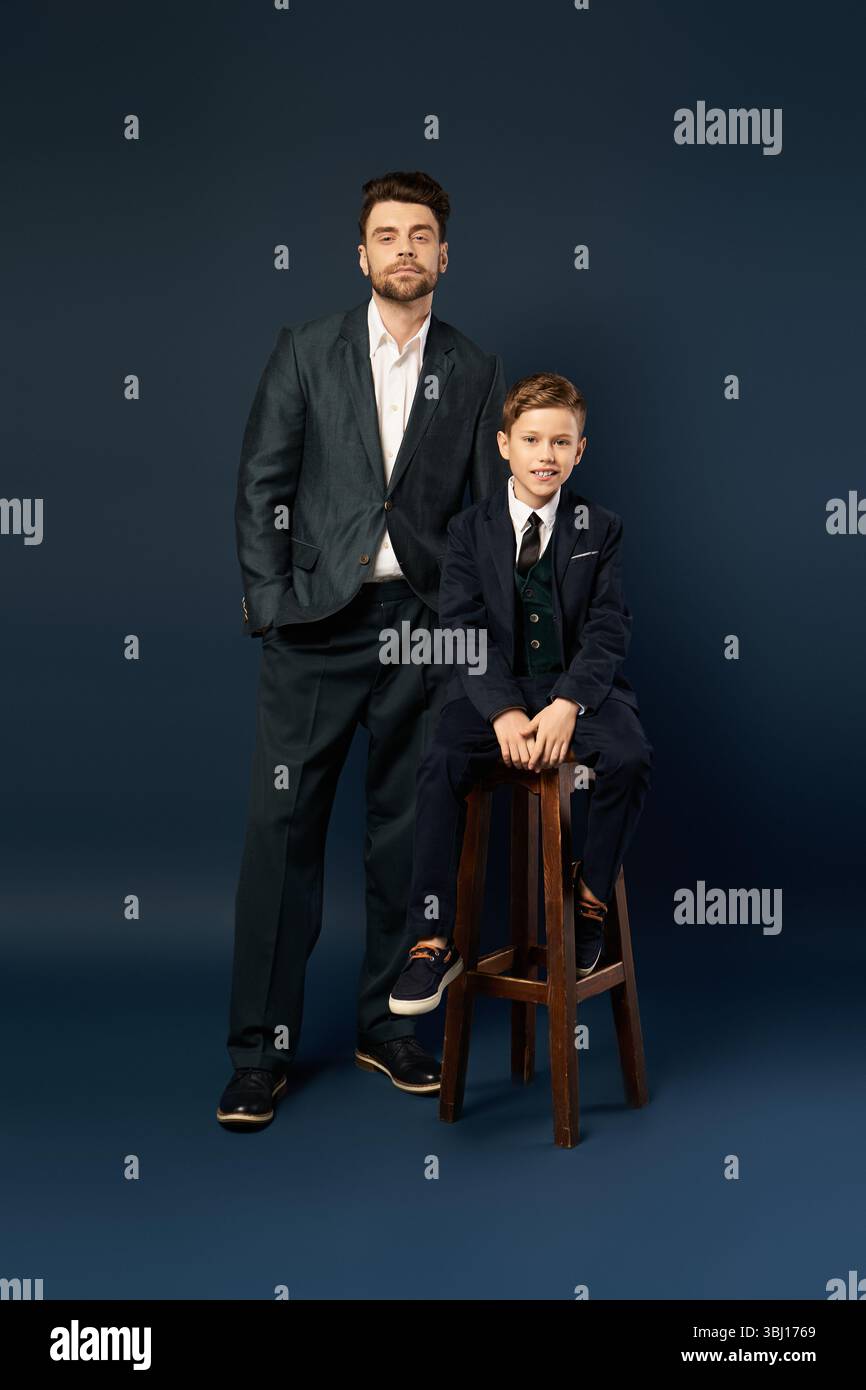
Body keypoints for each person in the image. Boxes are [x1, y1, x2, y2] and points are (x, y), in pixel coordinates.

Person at [217, 170, 509, 1130]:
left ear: (444, 256)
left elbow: (483, 517)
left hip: (421, 628)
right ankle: (260, 1054)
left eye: (421, 235)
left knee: (406, 837)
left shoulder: (474, 369)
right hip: (315, 626)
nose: (404, 250)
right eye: (388, 235)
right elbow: (261, 484)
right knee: (282, 837)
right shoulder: (306, 350)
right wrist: (271, 606)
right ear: (362, 254)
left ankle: (390, 1029)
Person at [387, 372, 653, 1017]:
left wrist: (567, 703)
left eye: (561, 442)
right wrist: (503, 709)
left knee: (629, 756)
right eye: (531, 440)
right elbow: (462, 625)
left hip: (575, 689)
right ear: (504, 444)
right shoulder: (467, 530)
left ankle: (589, 902)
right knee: (440, 761)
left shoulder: (601, 527)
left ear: (580, 450)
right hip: (494, 690)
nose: (545, 455)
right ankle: (432, 941)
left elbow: (609, 627)